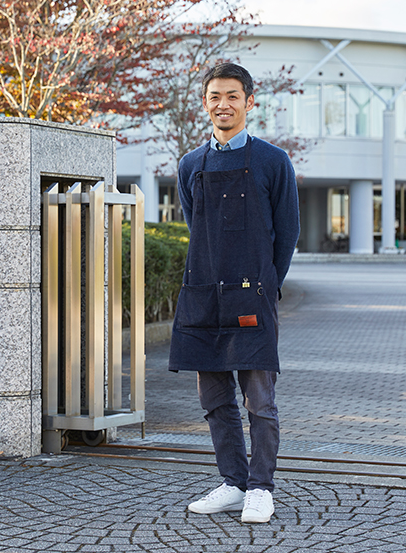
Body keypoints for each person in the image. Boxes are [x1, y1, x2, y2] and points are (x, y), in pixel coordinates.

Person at [170, 62, 299, 524]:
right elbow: (194, 224)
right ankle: (232, 481)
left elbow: (287, 233)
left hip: (253, 297)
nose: (223, 105)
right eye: (214, 97)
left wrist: (267, 286)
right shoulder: (190, 165)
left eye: (232, 96)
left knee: (259, 401)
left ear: (249, 102)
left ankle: (261, 487)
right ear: (204, 103)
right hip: (204, 294)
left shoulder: (272, 161)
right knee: (214, 400)